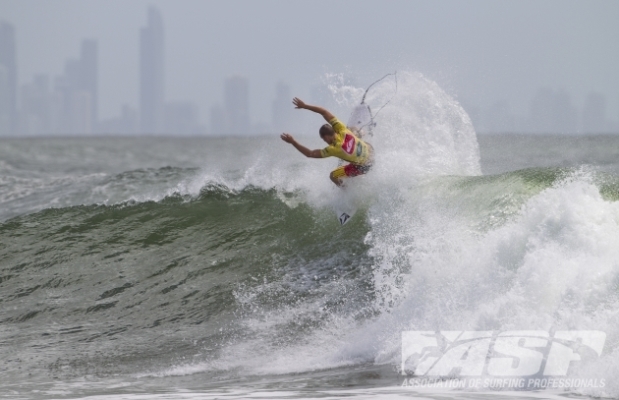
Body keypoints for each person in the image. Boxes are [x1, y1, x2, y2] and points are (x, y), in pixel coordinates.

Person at [280, 97, 374, 187]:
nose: (325, 141)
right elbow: (324, 112)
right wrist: (305, 106)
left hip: (365, 167)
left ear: (326, 136)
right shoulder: (341, 129)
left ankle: (344, 189)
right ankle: (362, 132)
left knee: (333, 176)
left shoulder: (333, 149)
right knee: (352, 130)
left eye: (324, 139)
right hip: (371, 151)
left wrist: (293, 142)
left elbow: (310, 154)